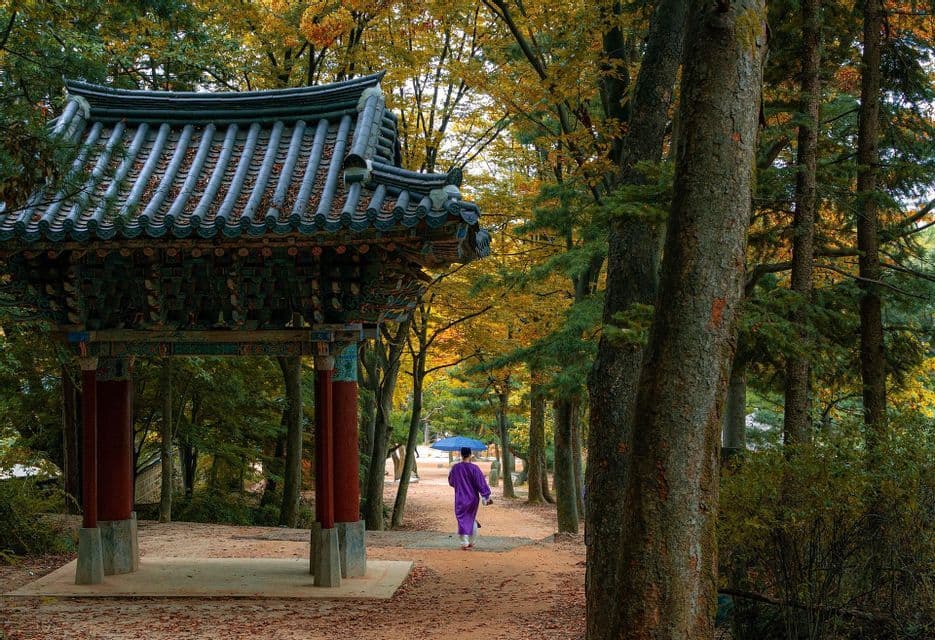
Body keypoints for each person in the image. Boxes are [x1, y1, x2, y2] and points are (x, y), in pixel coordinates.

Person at [447, 446, 492, 550]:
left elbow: (451, 482)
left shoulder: (456, 468)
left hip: (460, 497)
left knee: (462, 519)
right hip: (473, 498)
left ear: (461, 454)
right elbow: (481, 483)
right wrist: (485, 495)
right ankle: (472, 541)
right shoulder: (475, 468)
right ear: (470, 454)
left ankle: (464, 542)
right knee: (471, 518)